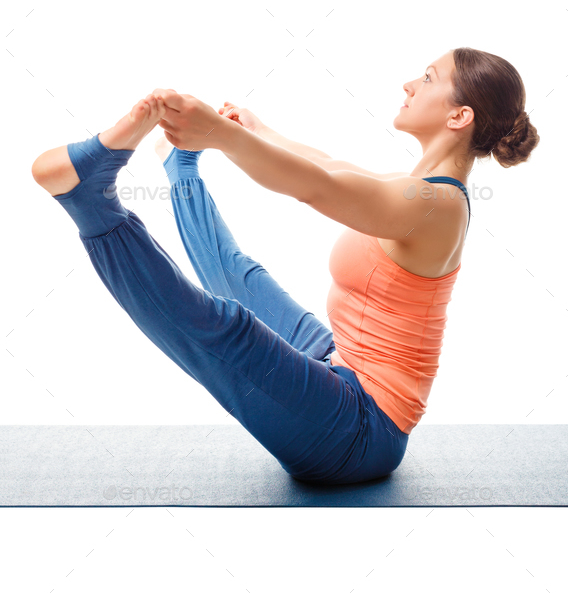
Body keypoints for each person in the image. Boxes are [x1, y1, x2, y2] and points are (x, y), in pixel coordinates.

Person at [31, 47, 540, 485]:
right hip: (342, 366)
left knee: (231, 328)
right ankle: (179, 166)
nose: (409, 83)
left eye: (427, 78)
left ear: (459, 116)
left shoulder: (435, 205)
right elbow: (331, 167)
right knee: (240, 279)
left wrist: (219, 134)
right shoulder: (417, 190)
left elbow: (320, 188)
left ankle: (91, 202)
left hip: (360, 432)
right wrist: (260, 131)